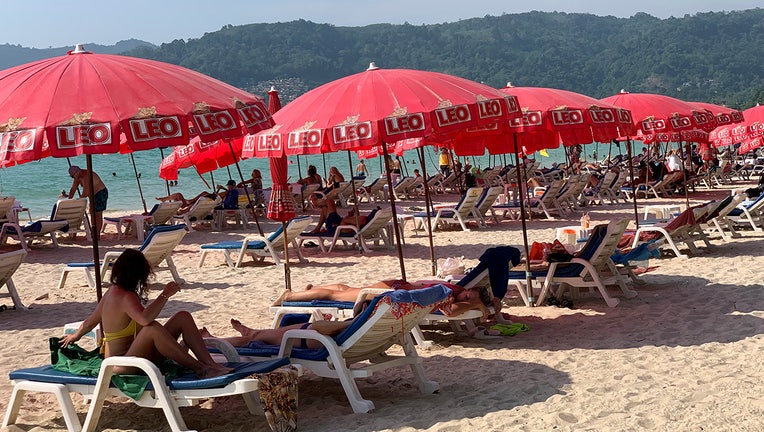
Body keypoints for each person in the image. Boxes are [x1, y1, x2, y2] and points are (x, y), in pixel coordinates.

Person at [59, 249, 232, 378]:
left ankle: (210, 363)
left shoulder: (112, 292)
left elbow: (89, 322)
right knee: (152, 328)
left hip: (140, 355)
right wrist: (165, 295)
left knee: (183, 316)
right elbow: (145, 319)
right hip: (122, 364)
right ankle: (201, 368)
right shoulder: (125, 296)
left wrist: (75, 336)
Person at [272, 279, 500, 319]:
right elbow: (452, 311)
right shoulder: (450, 294)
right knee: (337, 295)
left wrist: (478, 303)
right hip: (392, 290)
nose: (464, 296)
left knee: (345, 289)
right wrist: (478, 304)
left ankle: (312, 289)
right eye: (468, 294)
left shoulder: (452, 291)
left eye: (468, 297)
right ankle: (290, 296)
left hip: (396, 285)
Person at [67, 165, 108, 236]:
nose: (73, 178)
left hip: (100, 193)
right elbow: (73, 189)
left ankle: (97, 234)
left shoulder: (87, 176)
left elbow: (85, 192)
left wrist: (79, 201)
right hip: (92, 196)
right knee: (92, 213)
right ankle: (94, 232)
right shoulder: (78, 177)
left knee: (97, 214)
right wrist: (69, 201)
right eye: (71, 177)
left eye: (72, 176)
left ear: (77, 172)